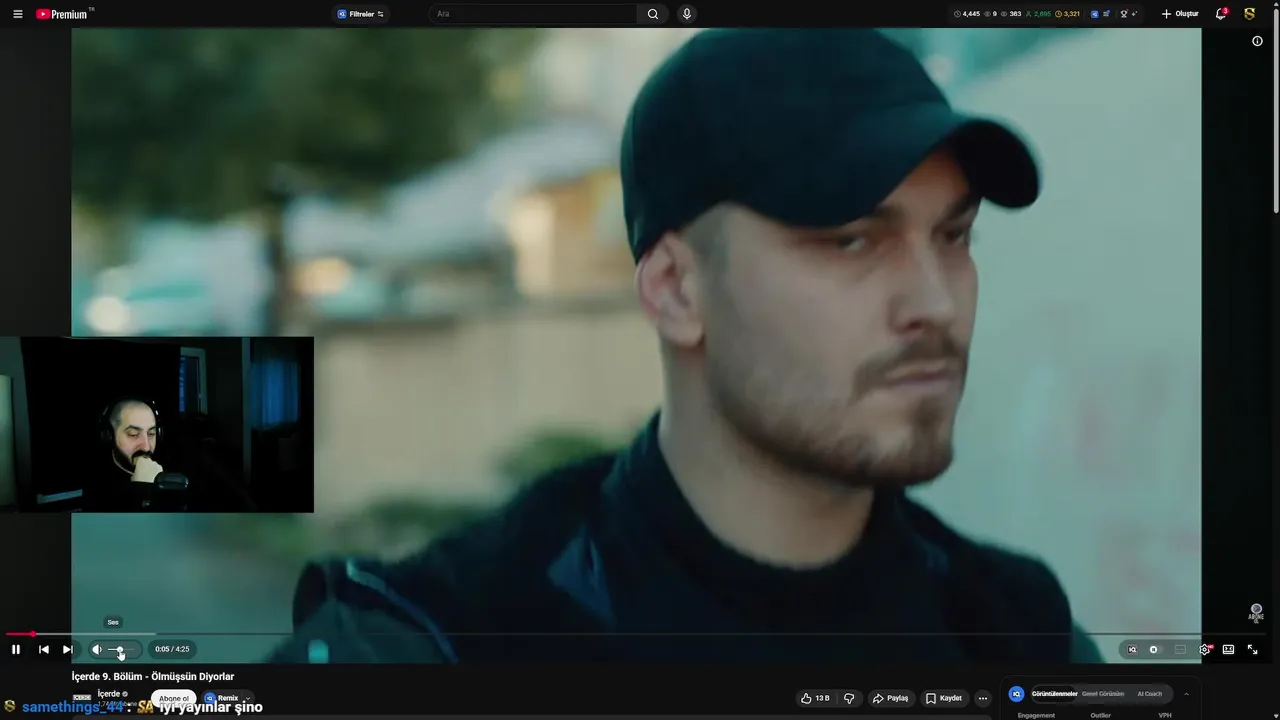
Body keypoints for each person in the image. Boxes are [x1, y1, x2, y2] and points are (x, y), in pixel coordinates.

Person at [270, 29, 1103, 664]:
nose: (935, 302)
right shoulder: (446, 641)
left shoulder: (1020, 636)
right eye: (851, 240)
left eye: (954, 237)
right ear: (674, 290)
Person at [83, 397, 168, 512]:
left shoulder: (169, 474)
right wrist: (143, 491)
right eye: (133, 434)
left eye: (151, 433)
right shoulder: (97, 490)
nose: (146, 447)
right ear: (109, 436)